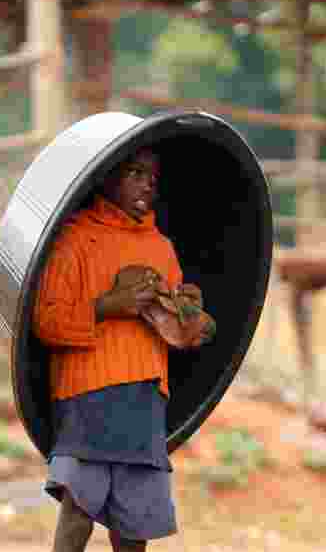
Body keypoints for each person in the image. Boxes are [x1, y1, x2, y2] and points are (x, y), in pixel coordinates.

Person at [32, 145, 202, 552]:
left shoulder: (161, 247)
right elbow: (46, 322)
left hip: (145, 397)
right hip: (86, 394)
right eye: (134, 174)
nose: (145, 185)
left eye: (151, 178)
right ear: (105, 177)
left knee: (134, 524)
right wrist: (110, 306)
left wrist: (188, 317)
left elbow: (178, 329)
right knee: (78, 510)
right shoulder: (74, 240)